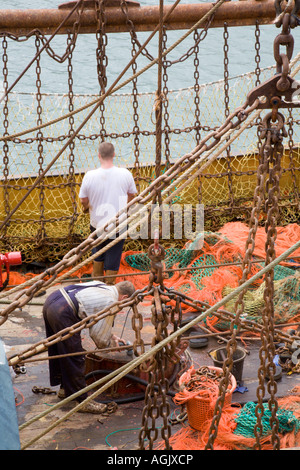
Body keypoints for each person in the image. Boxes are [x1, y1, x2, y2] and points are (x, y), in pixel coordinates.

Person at [42, 280, 135, 413]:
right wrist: (110, 345)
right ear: (124, 298)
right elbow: (100, 339)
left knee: (60, 349)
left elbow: (95, 318)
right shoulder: (111, 301)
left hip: (53, 301)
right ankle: (81, 401)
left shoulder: (102, 286)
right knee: (75, 356)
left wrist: (112, 336)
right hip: (63, 311)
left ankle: (66, 389)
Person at [79, 141, 137, 284]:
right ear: (114, 155)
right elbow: (132, 196)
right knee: (114, 256)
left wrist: (87, 207)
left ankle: (97, 285)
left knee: (98, 254)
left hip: (97, 224)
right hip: (119, 224)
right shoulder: (126, 174)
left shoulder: (89, 176)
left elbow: (83, 200)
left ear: (99, 155)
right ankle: (109, 286)